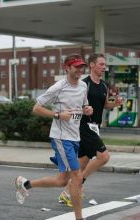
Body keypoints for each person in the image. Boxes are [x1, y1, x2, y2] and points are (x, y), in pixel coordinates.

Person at [15, 53, 93, 220]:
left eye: (82, 67)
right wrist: (58, 115)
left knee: (62, 181)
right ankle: (79, 218)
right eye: (77, 66)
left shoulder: (83, 86)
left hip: (74, 137)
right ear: (67, 67)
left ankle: (25, 184)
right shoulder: (58, 87)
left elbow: (84, 105)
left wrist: (88, 109)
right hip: (60, 137)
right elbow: (36, 108)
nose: (80, 69)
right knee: (77, 176)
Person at [56, 53, 123, 207]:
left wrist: (116, 104)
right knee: (104, 157)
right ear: (92, 65)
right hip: (83, 126)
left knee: (84, 161)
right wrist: (83, 109)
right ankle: (77, 185)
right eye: (101, 64)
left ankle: (66, 193)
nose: (104, 67)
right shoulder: (84, 84)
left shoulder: (104, 85)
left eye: (105, 65)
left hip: (95, 127)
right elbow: (73, 104)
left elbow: (105, 104)